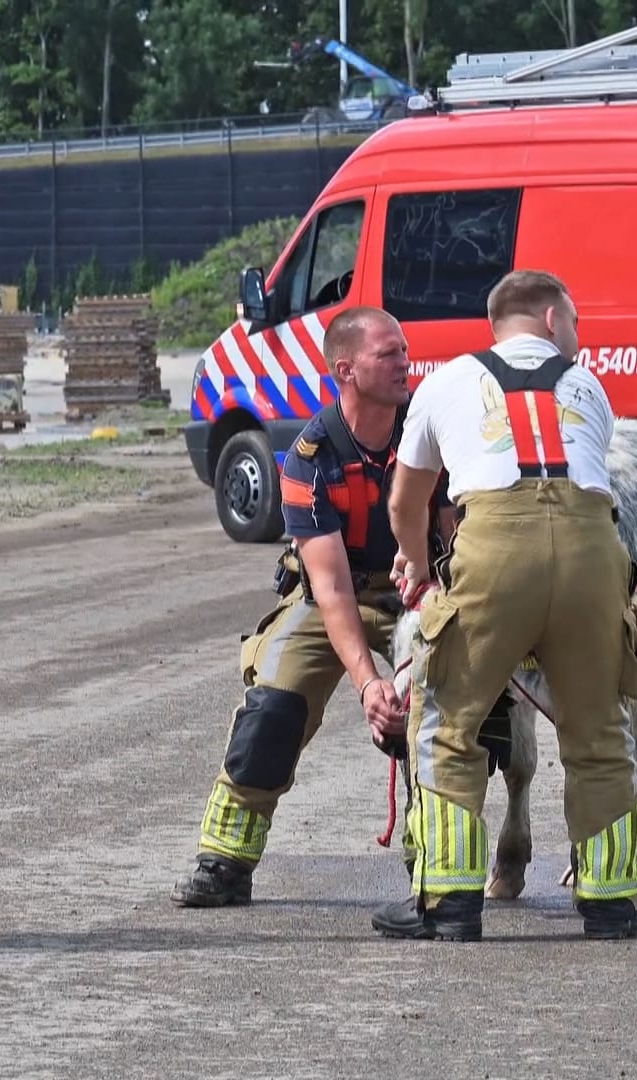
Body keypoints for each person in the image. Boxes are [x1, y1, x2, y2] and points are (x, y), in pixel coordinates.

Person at [172, 305, 502, 907]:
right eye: (390, 353)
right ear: (346, 370)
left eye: (405, 350)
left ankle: (436, 865)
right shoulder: (308, 458)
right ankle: (225, 861)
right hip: (336, 594)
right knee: (273, 704)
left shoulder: (430, 433)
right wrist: (370, 685)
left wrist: (430, 588)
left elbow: (460, 536)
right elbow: (330, 591)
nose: (406, 362)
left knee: (454, 703)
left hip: (420, 589)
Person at [378, 269, 637, 942]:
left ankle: (449, 903)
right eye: (577, 326)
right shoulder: (589, 387)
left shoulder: (444, 384)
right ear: (553, 320)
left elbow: (405, 502)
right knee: (600, 730)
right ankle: (613, 903)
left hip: (495, 552)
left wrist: (416, 564)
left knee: (448, 724)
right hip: (593, 553)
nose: (578, 340)